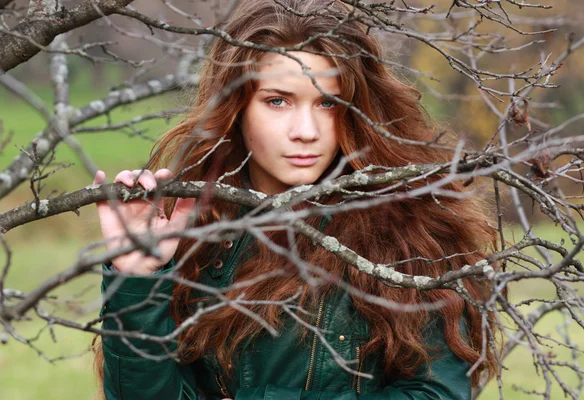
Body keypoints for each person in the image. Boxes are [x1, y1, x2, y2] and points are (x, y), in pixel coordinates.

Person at [92, 0, 499, 399]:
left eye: (327, 103)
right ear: (236, 108)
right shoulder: (188, 226)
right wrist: (138, 278)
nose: (305, 130)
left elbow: (438, 391)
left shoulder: (412, 226)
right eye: (277, 101)